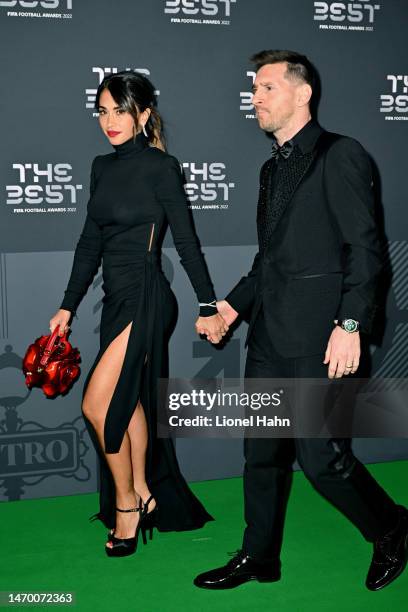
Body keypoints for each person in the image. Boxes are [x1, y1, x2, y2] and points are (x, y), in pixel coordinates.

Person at [193, 50, 408, 591]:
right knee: (261, 456)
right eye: (254, 89)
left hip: (323, 339)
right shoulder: (271, 169)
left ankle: (392, 527)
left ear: (302, 93)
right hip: (269, 338)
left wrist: (352, 324)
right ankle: (259, 556)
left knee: (322, 461)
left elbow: (366, 250)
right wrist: (230, 308)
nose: (255, 98)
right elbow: (271, 260)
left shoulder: (342, 155)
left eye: (266, 88)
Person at [49, 71, 228, 557]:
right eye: (103, 111)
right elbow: (90, 242)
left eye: (120, 111)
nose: (110, 121)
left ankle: (128, 506)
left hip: (148, 297)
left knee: (96, 405)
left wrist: (209, 304)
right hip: (114, 299)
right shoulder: (101, 167)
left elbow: (187, 241)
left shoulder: (161, 167)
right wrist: (68, 304)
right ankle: (146, 491)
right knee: (128, 406)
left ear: (144, 115)